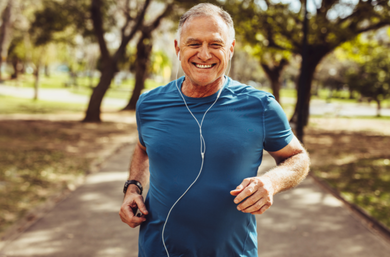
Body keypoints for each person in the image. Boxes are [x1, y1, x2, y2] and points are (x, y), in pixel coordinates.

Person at [119, 3, 310, 256]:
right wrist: (133, 188)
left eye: (216, 44)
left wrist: (270, 182)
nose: (205, 54)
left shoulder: (261, 106)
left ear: (230, 49)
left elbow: (298, 157)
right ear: (178, 48)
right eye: (194, 44)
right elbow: (143, 148)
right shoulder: (149, 103)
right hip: (156, 248)